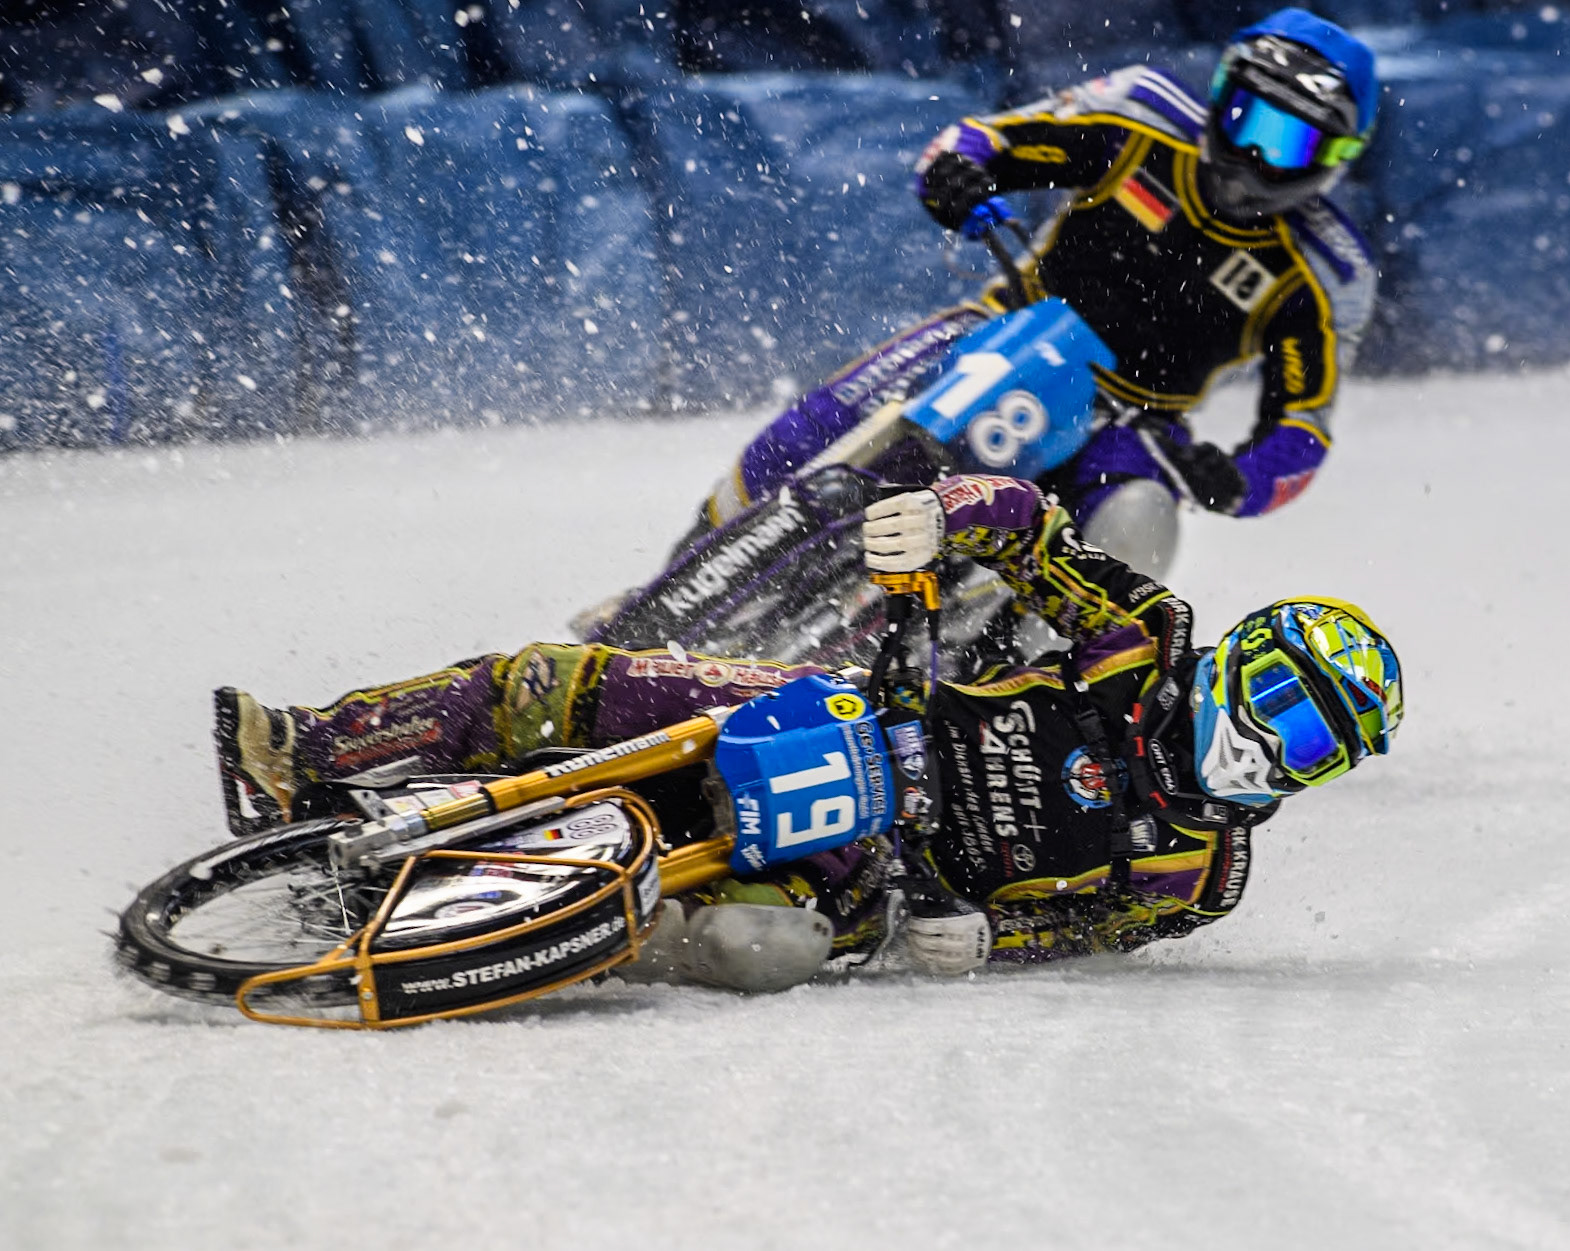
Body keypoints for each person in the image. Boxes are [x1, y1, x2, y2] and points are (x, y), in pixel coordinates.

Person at [217, 475, 1402, 988]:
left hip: (873, 881)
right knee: (567, 679)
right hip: (848, 712)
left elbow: (1087, 932)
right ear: (1242, 664)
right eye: (1289, 709)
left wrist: (985, 944)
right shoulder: (1144, 635)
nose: (1280, 750)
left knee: (746, 952)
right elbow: (1034, 535)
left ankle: (517, 933)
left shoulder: (1203, 874)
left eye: (1319, 750)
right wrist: (942, 518)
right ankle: (309, 751)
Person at [667, 8, 1380, 586]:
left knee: (1140, 520)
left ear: (1334, 161)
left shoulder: (1326, 273)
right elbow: (982, 140)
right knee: (819, 424)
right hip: (1004, 328)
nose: (1256, 156)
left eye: (1288, 143)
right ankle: (684, 567)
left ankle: (1035, 680)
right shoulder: (1138, 112)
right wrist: (957, 177)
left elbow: (1302, 432)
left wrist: (1235, 479)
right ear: (1221, 94)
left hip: (1130, 425)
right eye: (1247, 122)